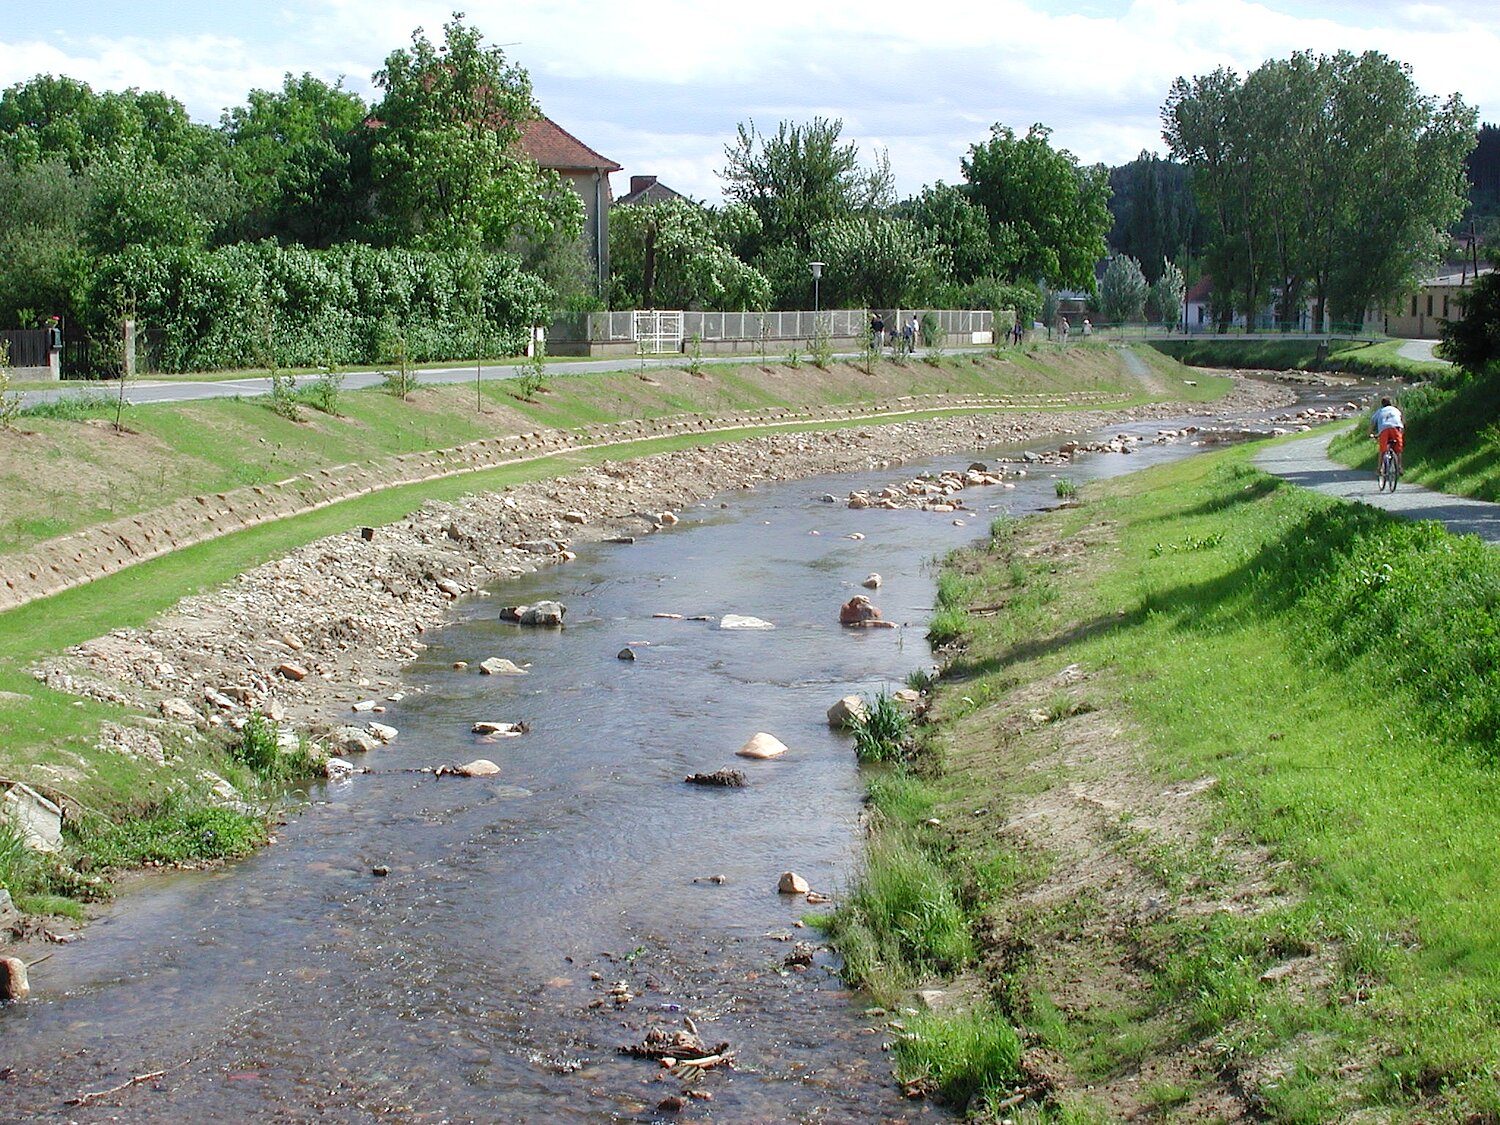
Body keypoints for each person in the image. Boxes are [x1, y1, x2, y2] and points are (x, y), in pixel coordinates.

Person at [1370, 396, 1404, 470]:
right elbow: (1402, 420)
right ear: (1391, 403)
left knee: (1382, 450)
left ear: (1382, 404)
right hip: (1396, 427)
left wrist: (1370, 433)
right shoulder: (1396, 410)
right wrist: (1402, 431)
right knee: (1398, 449)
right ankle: (1399, 467)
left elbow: (1373, 422)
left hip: (1384, 429)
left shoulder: (1380, 411)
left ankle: (1379, 468)